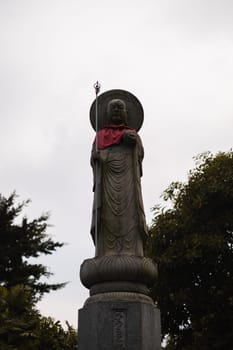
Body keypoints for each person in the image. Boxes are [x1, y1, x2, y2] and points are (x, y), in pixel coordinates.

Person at [91, 98, 147, 257]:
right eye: (113, 108)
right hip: (106, 182)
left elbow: (140, 155)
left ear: (127, 113)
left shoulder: (132, 135)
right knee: (106, 217)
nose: (116, 110)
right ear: (106, 113)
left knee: (130, 215)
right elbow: (94, 158)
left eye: (120, 107)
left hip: (128, 183)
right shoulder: (100, 136)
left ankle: (132, 251)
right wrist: (96, 158)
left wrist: (133, 143)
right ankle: (105, 252)